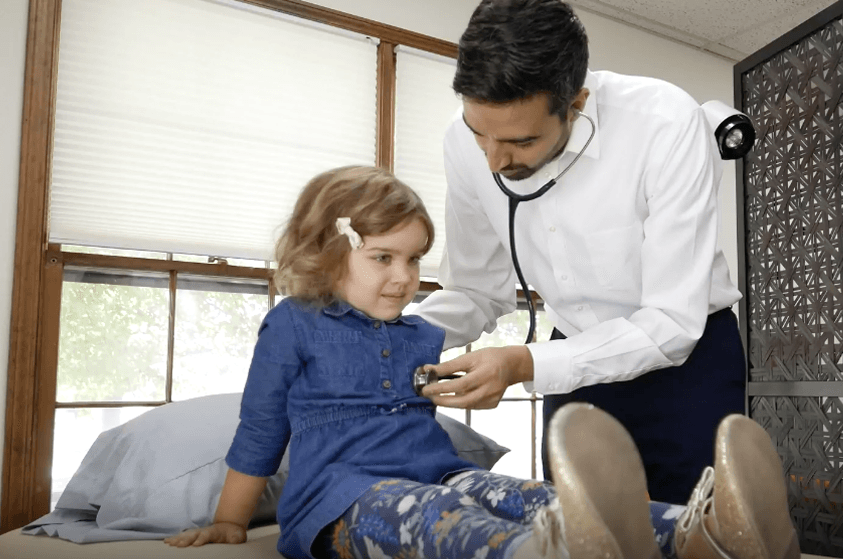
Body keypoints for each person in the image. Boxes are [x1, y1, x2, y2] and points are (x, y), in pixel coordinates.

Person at [160, 165, 796, 559]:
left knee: (530, 494)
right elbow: (261, 429)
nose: (406, 278)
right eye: (383, 258)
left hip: (438, 471)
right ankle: (550, 554)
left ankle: (711, 530)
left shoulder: (418, 334)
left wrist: (485, 380)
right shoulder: (291, 326)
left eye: (414, 261)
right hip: (342, 501)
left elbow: (474, 366)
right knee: (442, 518)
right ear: (325, 252)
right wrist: (228, 521)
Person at [415, 0, 747, 505]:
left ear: (576, 103)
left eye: (521, 142)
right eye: (480, 133)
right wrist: (388, 339)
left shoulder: (665, 123)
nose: (493, 162)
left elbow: (671, 324)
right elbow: (476, 289)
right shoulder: (462, 143)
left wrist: (525, 364)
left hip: (689, 359)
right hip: (571, 354)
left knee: (695, 528)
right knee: (581, 529)